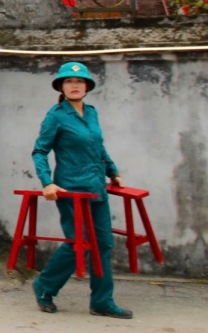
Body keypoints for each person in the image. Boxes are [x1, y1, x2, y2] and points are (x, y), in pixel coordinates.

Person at [31, 62, 132, 320]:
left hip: (96, 187)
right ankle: (45, 285)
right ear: (61, 87)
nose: (74, 86)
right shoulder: (56, 116)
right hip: (70, 189)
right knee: (80, 242)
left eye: (79, 82)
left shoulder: (92, 113)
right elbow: (40, 151)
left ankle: (102, 301)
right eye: (68, 82)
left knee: (103, 244)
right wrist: (47, 182)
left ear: (87, 87)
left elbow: (98, 147)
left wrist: (113, 171)